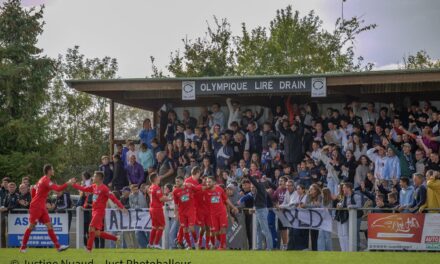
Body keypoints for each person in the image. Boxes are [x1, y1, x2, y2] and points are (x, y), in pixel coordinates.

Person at [70, 171, 128, 252]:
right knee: (97, 233)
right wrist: (73, 185)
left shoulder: (104, 188)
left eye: (94, 176)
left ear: (99, 178)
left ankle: (89, 249)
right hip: (94, 212)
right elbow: (83, 189)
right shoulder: (93, 186)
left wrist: (122, 207)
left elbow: (113, 198)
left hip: (99, 212)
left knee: (91, 227)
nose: (93, 178)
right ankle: (115, 238)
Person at [19, 164, 71, 252]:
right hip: (37, 207)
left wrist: (35, 199)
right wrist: (68, 183)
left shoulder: (41, 179)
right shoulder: (46, 180)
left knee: (49, 225)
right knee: (31, 226)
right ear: (49, 171)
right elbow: (58, 189)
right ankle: (23, 247)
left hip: (41, 207)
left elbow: (33, 189)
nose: (53, 171)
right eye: (52, 169)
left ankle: (58, 247)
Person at [205, 176, 238, 250]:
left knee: (223, 229)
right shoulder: (206, 191)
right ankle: (222, 244)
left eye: (209, 182)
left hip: (222, 212)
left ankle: (222, 246)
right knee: (216, 232)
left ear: (214, 182)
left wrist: (233, 207)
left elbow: (226, 200)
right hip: (213, 214)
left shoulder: (219, 189)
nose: (208, 183)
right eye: (207, 182)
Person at [244, 173, 273, 250]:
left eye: (254, 181)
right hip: (258, 210)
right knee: (258, 230)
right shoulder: (257, 189)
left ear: (257, 180)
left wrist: (247, 174)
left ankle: (269, 247)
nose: (253, 183)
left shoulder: (260, 186)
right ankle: (259, 247)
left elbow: (253, 181)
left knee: (265, 230)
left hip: (261, 210)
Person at [148, 173, 172, 249]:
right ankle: (156, 243)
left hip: (152, 208)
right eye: (158, 177)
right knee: (162, 226)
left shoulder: (151, 187)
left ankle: (150, 243)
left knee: (155, 226)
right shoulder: (157, 187)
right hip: (157, 209)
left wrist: (164, 195)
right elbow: (161, 199)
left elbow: (157, 196)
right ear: (155, 179)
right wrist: (170, 198)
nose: (159, 178)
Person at [129, 184, 148, 248]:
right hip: (137, 217)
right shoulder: (130, 196)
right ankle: (144, 246)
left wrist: (135, 207)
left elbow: (142, 206)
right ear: (131, 190)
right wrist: (135, 207)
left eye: (137, 189)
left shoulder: (140, 195)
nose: (136, 191)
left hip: (144, 216)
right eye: (134, 189)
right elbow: (131, 206)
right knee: (138, 232)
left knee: (145, 232)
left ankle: (147, 245)